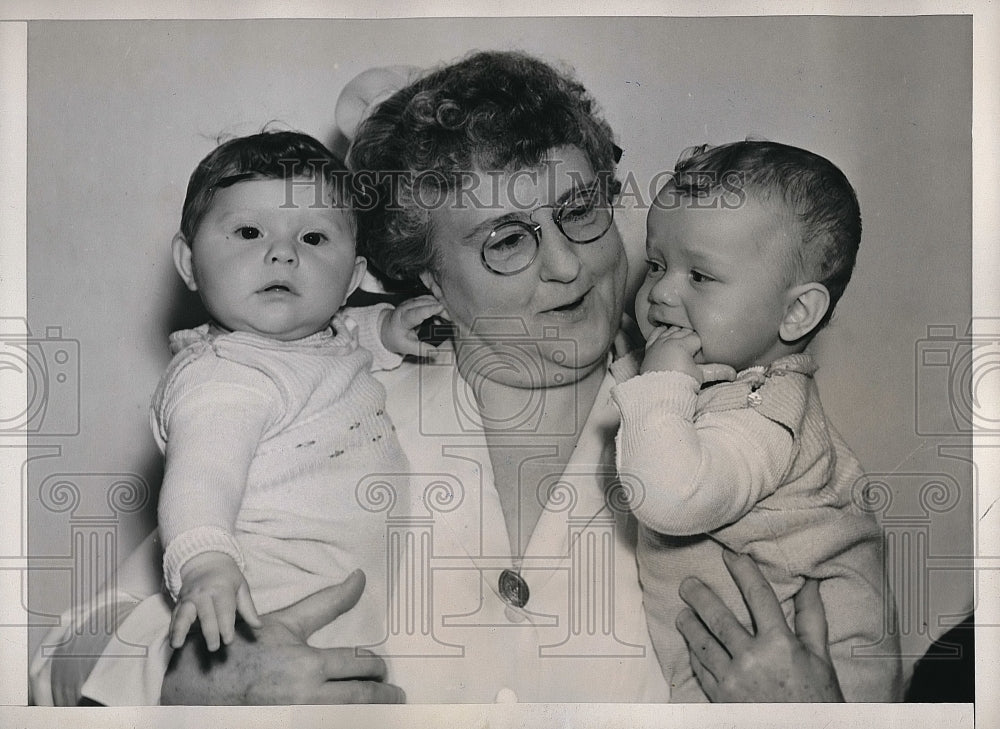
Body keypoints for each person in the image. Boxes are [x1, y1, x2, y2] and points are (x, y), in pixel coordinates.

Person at [30, 51, 848, 705]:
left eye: (580, 211)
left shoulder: (730, 427)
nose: (568, 265)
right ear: (429, 279)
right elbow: (70, 647)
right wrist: (184, 684)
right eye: (506, 239)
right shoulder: (329, 409)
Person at [610, 140, 902, 701]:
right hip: (739, 670)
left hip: (816, 678)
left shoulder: (768, 409)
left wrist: (660, 381)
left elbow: (665, 494)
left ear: (795, 313)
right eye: (656, 265)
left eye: (700, 276)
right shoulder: (725, 379)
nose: (659, 292)